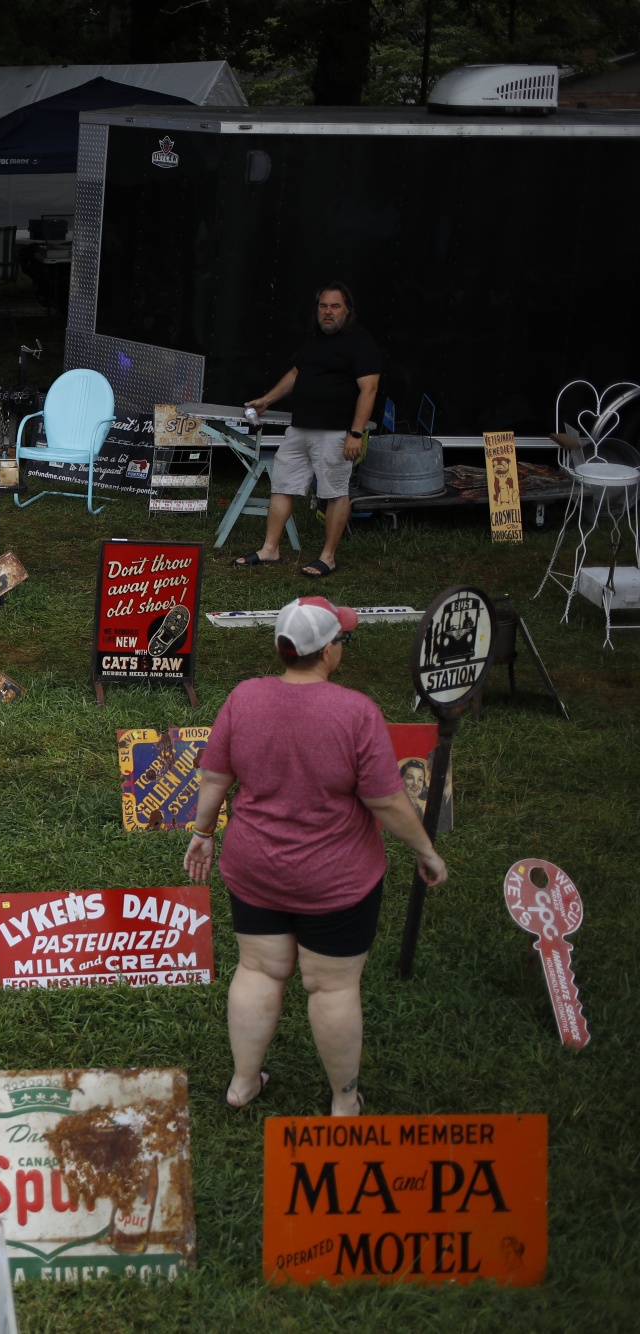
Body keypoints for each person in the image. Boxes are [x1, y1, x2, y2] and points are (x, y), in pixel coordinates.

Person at [183, 596, 447, 1116]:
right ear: (327, 650)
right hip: (337, 880)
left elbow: (214, 777)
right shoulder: (356, 712)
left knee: (258, 971)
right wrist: (426, 850)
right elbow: (386, 801)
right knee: (332, 988)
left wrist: (203, 832)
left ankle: (243, 1084)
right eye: (341, 639)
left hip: (255, 867)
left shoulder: (243, 697)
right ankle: (344, 1102)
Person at [235, 283, 381, 578]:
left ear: (347, 310)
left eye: (335, 306)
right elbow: (296, 373)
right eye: (323, 306)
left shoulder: (360, 342)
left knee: (335, 492)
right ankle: (270, 549)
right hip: (300, 426)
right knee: (282, 485)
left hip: (335, 431)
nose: (328, 312)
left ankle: (328, 557)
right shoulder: (314, 338)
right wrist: (267, 400)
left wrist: (355, 433)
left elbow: (370, 389)